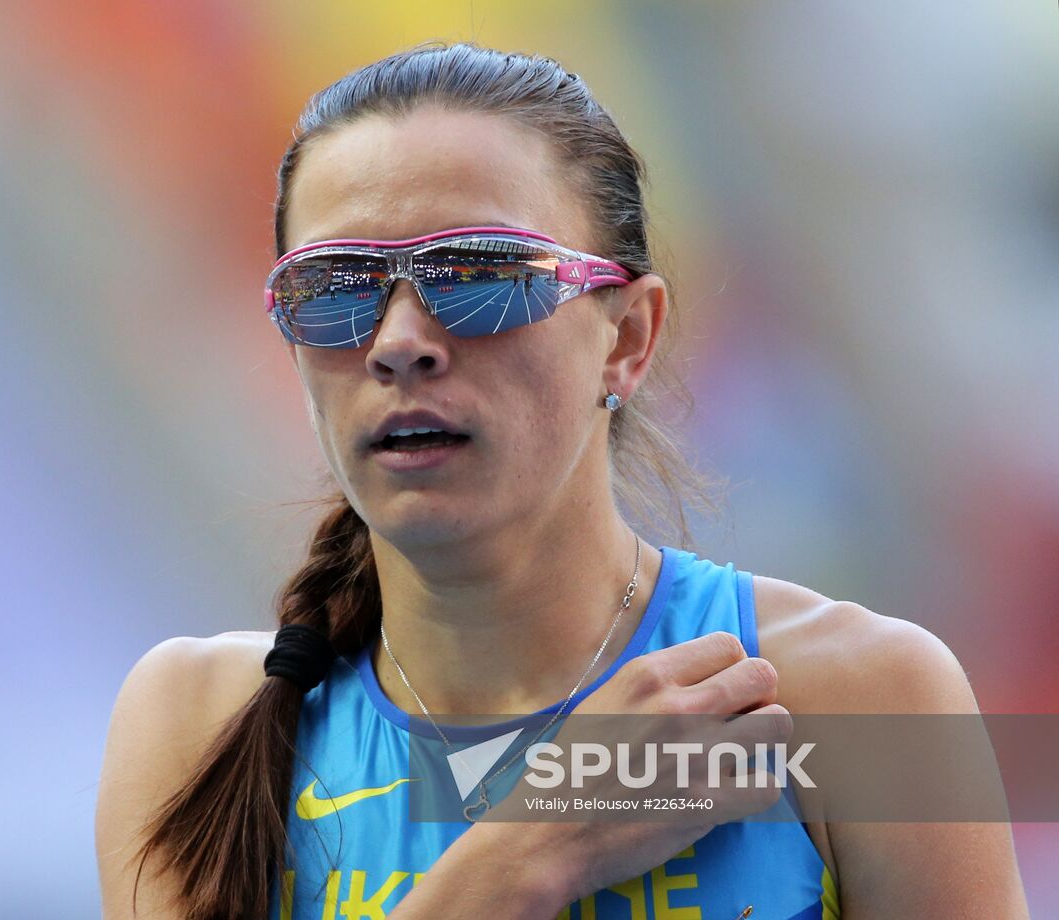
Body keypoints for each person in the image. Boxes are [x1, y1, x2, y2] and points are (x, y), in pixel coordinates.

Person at [95, 42, 1028, 919]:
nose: (399, 343)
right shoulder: (199, 718)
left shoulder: (850, 693)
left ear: (627, 337)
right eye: (336, 284)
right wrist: (525, 854)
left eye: (480, 274)